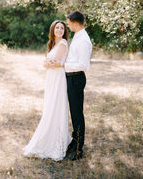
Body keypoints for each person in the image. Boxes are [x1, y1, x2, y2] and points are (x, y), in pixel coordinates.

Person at [23, 20, 71, 161]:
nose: (60, 30)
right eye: (57, 27)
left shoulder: (62, 43)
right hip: (51, 78)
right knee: (50, 106)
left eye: (62, 28)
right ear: (53, 29)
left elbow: (51, 62)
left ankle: (56, 140)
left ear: (64, 31)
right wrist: (48, 63)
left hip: (58, 78)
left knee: (55, 107)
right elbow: (46, 64)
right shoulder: (53, 44)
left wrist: (48, 63)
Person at [50, 11, 92, 161]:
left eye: (68, 23)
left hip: (76, 79)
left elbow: (83, 65)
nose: (67, 25)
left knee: (77, 113)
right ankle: (74, 142)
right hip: (70, 78)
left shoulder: (84, 40)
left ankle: (79, 149)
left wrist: (62, 64)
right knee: (73, 113)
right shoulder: (77, 36)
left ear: (75, 23)